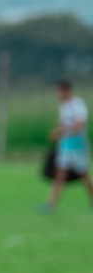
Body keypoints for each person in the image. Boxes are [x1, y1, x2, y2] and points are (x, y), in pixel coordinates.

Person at [46, 78, 91, 213]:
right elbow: (62, 123)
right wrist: (55, 132)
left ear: (66, 91)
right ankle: (50, 204)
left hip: (77, 145)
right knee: (60, 173)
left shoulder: (77, 104)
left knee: (83, 174)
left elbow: (79, 124)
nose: (57, 95)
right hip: (65, 145)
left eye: (59, 91)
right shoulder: (63, 106)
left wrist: (63, 132)